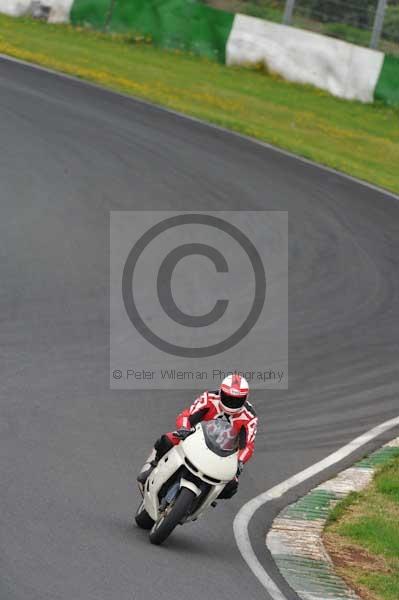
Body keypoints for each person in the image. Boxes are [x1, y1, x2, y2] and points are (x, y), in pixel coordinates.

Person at [137, 373, 257, 498]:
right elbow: (186, 415)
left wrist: (240, 461)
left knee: (231, 486)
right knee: (167, 440)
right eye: (228, 398)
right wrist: (184, 428)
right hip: (196, 437)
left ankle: (204, 497)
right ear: (221, 392)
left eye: (237, 400)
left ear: (245, 398)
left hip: (224, 454)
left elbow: (248, 445)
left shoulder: (250, 416)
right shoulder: (209, 397)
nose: (232, 403)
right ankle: (153, 467)